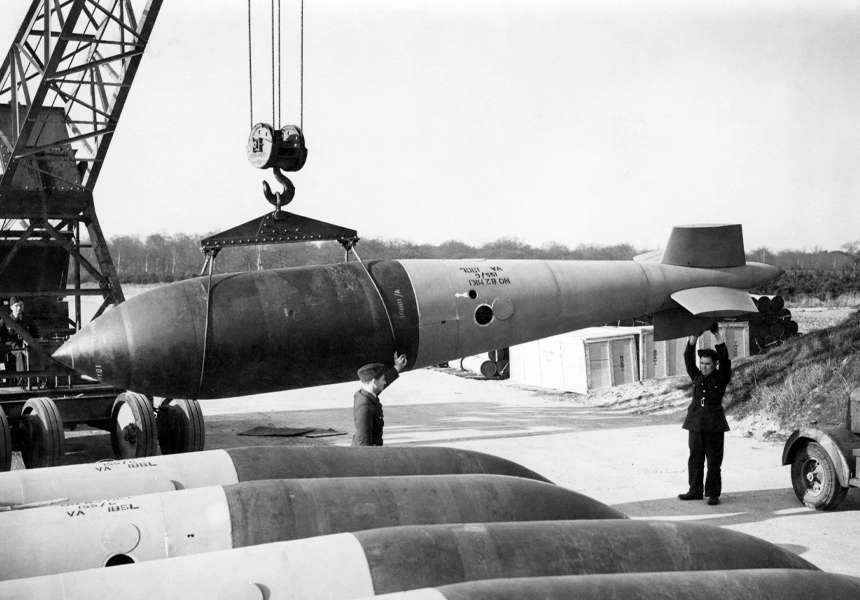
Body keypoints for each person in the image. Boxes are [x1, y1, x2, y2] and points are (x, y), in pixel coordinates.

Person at [678, 325, 731, 506]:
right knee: (695, 458)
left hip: (714, 424)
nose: (704, 367)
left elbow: (725, 361)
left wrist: (719, 338)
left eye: (707, 364)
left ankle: (713, 494)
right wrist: (693, 338)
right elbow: (687, 359)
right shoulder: (696, 376)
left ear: (714, 365)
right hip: (695, 423)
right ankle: (694, 491)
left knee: (714, 461)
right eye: (702, 363)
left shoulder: (721, 377)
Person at [351, 351, 408, 446]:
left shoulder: (366, 393)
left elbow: (384, 381)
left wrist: (397, 368)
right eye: (382, 379)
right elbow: (364, 442)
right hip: (366, 454)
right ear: (374, 382)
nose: (385, 382)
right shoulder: (364, 406)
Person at [1, 297, 39, 385]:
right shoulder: (6, 320)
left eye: (21, 305)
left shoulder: (28, 320)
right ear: (11, 307)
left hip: (26, 344)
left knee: (33, 352)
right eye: (16, 305)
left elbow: (35, 334)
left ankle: (37, 379)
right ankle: (22, 379)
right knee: (20, 353)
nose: (19, 308)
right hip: (11, 345)